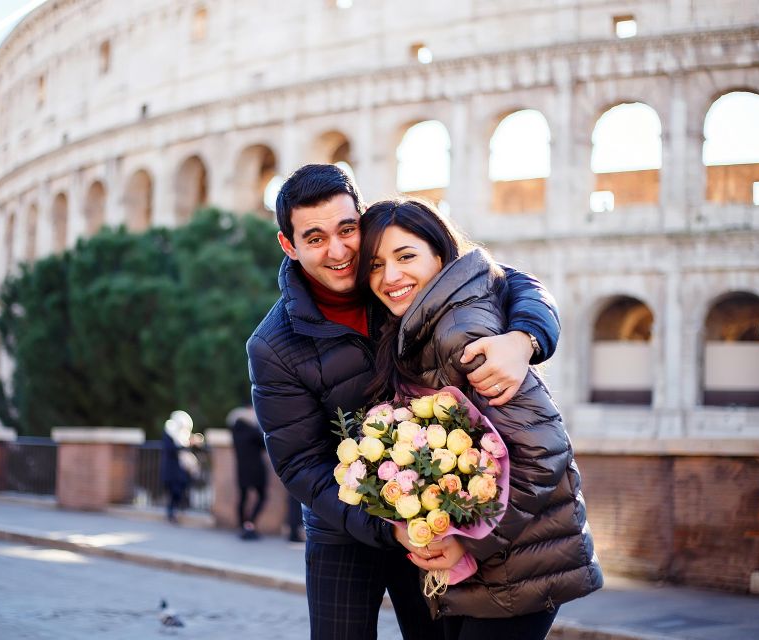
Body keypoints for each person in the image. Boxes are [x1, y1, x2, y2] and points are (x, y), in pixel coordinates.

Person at [246, 163, 562, 640]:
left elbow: (507, 281)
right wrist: (386, 525)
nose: (337, 251)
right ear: (288, 245)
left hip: (435, 508)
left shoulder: (395, 273)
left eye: (347, 229)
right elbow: (300, 465)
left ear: (362, 218)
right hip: (344, 521)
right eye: (314, 238)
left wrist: (524, 339)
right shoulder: (272, 345)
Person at [356, 198, 603, 640]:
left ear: (441, 254)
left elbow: (544, 452)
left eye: (406, 256)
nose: (390, 277)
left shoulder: (464, 332)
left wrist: (468, 541)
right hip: (489, 569)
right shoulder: (420, 325)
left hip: (518, 565)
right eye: (375, 265)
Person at [228, 406, 268, 540]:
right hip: (256, 469)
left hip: (241, 469)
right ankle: (250, 524)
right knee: (262, 496)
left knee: (243, 497)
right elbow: (264, 443)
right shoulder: (252, 430)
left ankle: (242, 526)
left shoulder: (235, 431)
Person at [159, 411, 193, 523]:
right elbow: (170, 449)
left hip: (180, 468)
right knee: (173, 490)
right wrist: (184, 446)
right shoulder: (169, 431)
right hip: (171, 467)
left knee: (180, 488)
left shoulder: (182, 435)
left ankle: (175, 511)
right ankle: (171, 513)